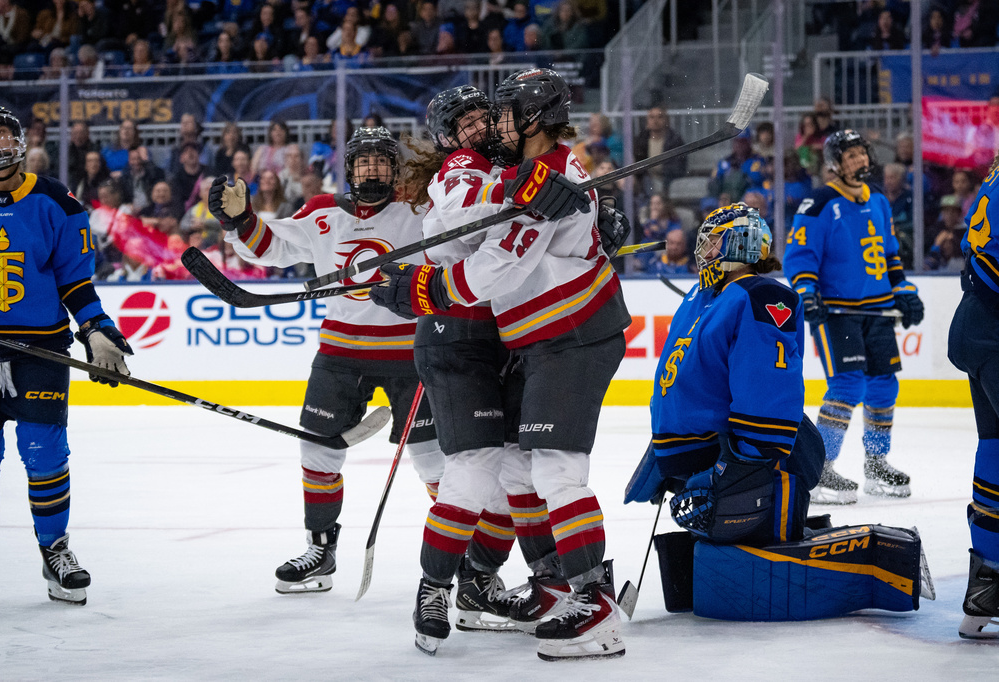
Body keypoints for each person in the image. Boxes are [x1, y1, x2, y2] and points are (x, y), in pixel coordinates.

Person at [371, 68, 629, 661]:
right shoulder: (498, 173)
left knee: (546, 473)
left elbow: (498, 269)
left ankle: (586, 601)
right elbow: (468, 215)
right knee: (506, 473)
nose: (489, 124)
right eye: (471, 121)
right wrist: (525, 196)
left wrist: (592, 214)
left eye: (499, 114)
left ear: (531, 119)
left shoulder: (540, 173)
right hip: (505, 338)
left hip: (565, 335)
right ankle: (514, 587)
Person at [209, 127, 445, 595]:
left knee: (433, 461)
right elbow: (272, 247)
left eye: (381, 161)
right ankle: (320, 550)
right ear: (350, 169)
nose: (372, 169)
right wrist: (239, 222)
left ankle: (459, 553)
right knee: (317, 450)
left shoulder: (422, 210)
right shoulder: (322, 214)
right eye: (363, 162)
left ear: (395, 168)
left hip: (410, 352)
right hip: (339, 354)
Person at [0, 105, 133, 606]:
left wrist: (97, 329)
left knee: (45, 455)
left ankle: (55, 550)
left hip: (41, 349)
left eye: (3, 133)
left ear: (21, 142)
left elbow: (76, 279)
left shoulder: (57, 201)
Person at [626, 204, 818, 544]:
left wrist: (669, 445)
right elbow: (765, 388)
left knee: (801, 445)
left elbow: (753, 383)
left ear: (741, 245)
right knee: (804, 446)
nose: (705, 251)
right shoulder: (712, 294)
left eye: (714, 241)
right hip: (713, 450)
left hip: (701, 450)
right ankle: (778, 540)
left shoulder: (751, 295)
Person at [783, 129, 924, 505]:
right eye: (850, 156)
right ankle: (820, 468)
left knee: (883, 386)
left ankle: (876, 463)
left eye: (862, 154)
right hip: (837, 312)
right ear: (834, 164)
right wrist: (807, 293)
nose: (859, 161)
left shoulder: (878, 199)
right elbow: (799, 258)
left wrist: (905, 292)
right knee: (847, 386)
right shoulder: (819, 203)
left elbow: (891, 256)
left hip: (877, 310)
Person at [950, 151, 999, 639]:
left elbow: (976, 255)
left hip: (977, 328)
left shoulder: (996, 174)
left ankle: (985, 591)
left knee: (996, 452)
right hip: (991, 330)